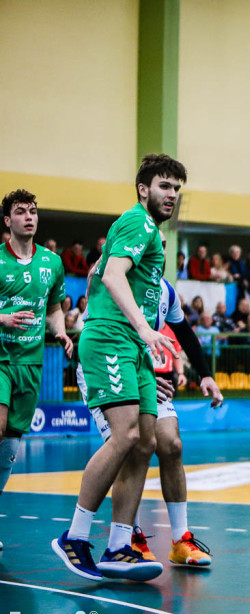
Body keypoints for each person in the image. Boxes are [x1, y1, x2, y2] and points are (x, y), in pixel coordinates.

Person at [51, 154, 185, 582]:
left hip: (134, 346)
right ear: (144, 189)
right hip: (111, 336)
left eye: (177, 188)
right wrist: (146, 328)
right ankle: (74, 536)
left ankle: (119, 545)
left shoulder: (154, 235)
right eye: (165, 186)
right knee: (126, 434)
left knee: (145, 443)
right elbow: (112, 274)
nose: (172, 195)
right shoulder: (137, 222)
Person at [77, 270, 223, 568]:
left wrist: (206, 374)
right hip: (109, 366)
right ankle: (125, 536)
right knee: (129, 446)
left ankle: (181, 540)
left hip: (142, 370)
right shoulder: (112, 275)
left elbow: (184, 332)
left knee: (171, 444)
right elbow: (109, 338)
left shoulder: (164, 291)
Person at [0, 190, 74, 549]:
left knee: (8, 449)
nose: (28, 216)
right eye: (20, 211)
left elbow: (55, 306)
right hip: (0, 359)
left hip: (31, 364)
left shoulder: (53, 263)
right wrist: (3, 318)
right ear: (7, 221)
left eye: (32, 211)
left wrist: (59, 332)